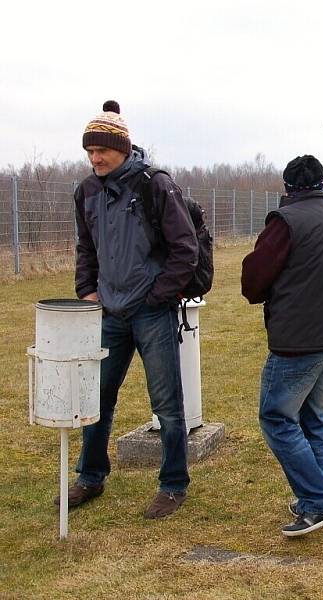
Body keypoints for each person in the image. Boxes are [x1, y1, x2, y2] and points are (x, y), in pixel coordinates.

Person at [63, 100, 198, 519]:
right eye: (89, 152)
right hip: (108, 312)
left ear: (122, 148)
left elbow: (185, 249)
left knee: (167, 404)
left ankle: (173, 484)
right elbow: (87, 247)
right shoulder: (86, 190)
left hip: (151, 312)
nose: (94, 158)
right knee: (96, 398)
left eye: (101, 150)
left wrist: (157, 296)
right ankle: (90, 477)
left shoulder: (155, 185)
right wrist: (87, 290)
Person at [241, 155, 323, 537]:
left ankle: (322, 498)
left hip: (298, 339)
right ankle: (313, 501)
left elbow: (253, 282)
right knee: (318, 417)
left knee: (277, 418)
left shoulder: (285, 222)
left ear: (288, 187)